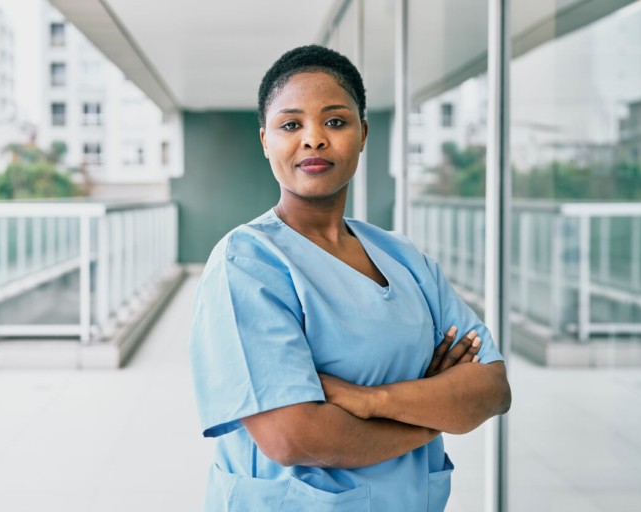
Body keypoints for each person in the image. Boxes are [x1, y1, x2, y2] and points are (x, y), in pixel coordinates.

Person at [189, 44, 511, 512]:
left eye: (335, 122)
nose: (314, 139)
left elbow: (491, 388)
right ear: (265, 140)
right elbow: (293, 436)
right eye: (291, 124)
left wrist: (367, 399)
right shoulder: (246, 262)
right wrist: (435, 411)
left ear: (363, 134)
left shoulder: (404, 257)